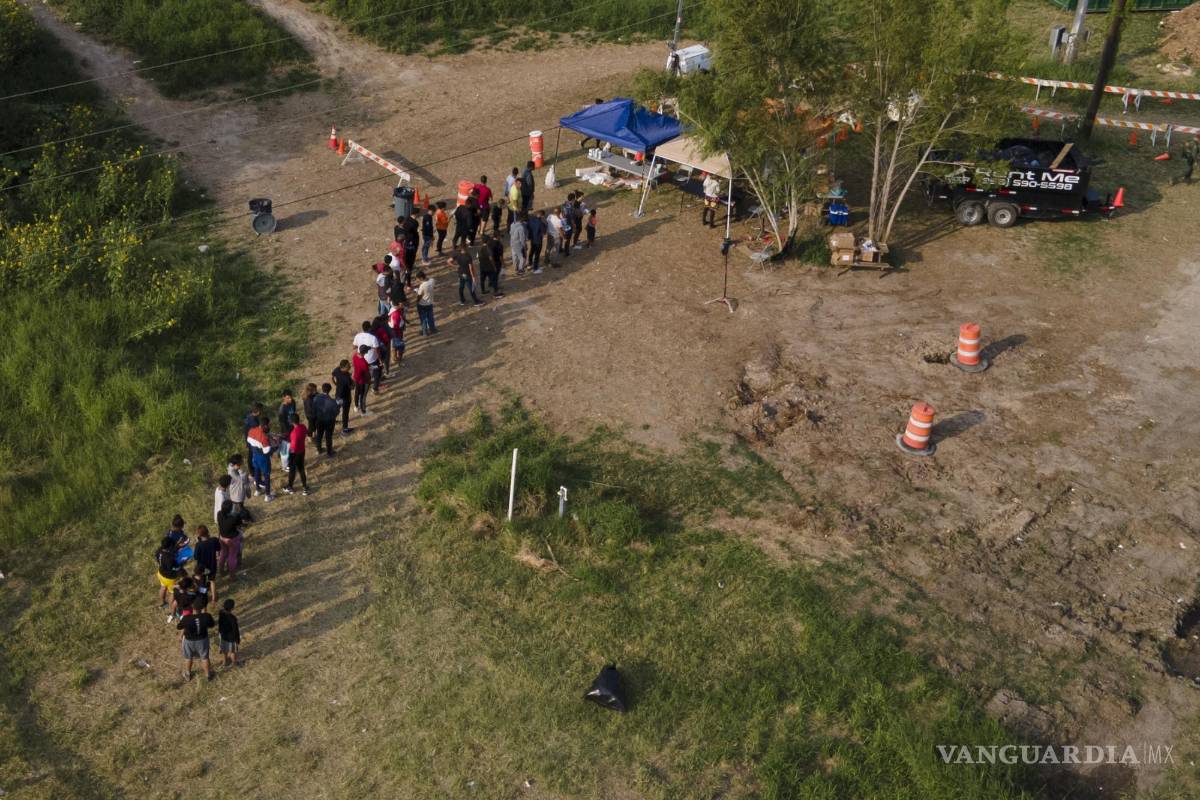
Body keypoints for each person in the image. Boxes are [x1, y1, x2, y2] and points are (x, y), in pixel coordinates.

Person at [178, 601, 216, 681]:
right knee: (205, 657)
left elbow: (179, 627)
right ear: (202, 608)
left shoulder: (186, 618)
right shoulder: (207, 616)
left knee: (188, 657)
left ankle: (188, 674)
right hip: (202, 640)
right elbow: (212, 625)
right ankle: (208, 675)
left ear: (192, 608)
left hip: (189, 641)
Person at [246, 418, 274, 502]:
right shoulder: (264, 437)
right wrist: (274, 448)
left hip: (254, 455)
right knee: (266, 475)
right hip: (263, 458)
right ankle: (267, 495)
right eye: (269, 425)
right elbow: (266, 451)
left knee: (257, 473)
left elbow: (248, 441)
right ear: (265, 426)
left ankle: (257, 490)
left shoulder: (251, 431)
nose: (269, 426)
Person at [216, 499, 244, 579]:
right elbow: (239, 526)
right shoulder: (234, 517)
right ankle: (232, 576)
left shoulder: (219, 514)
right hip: (232, 539)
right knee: (232, 556)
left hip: (222, 537)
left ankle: (221, 571)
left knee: (223, 554)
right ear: (230, 510)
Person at [353, 321, 382, 392]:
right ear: (369, 328)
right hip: (372, 360)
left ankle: (365, 383)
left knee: (364, 373)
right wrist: (380, 360)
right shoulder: (373, 338)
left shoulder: (358, 336)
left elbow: (354, 346)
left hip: (361, 358)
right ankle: (375, 388)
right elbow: (377, 350)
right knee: (377, 372)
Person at [155, 535, 183, 608]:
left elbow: (158, 560)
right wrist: (181, 564)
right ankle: (172, 607)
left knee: (163, 587)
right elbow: (176, 568)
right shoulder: (169, 559)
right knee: (173, 593)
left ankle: (163, 602)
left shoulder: (159, 550)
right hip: (170, 578)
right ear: (169, 546)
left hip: (161, 573)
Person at [312, 383, 340, 455]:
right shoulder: (333, 402)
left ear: (322, 388)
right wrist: (339, 406)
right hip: (329, 421)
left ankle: (319, 449)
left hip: (319, 420)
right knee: (328, 436)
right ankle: (329, 452)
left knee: (319, 435)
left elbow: (314, 409)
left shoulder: (316, 398)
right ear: (329, 390)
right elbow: (336, 412)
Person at [285, 412, 309, 495]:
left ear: (292, 422)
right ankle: (305, 487)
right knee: (301, 469)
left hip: (295, 453)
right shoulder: (303, 427)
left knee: (292, 470)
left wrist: (290, 458)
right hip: (302, 450)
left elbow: (293, 447)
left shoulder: (294, 433)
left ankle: (290, 487)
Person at [193, 525, 220, 596]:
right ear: (208, 532)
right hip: (212, 564)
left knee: (202, 582)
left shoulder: (198, 545)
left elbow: (195, 557)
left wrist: (198, 542)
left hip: (202, 566)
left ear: (199, 535)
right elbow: (218, 548)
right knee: (212, 581)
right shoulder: (214, 540)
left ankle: (203, 595)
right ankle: (214, 597)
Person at [227, 456, 253, 520]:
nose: (240, 466)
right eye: (239, 464)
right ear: (235, 464)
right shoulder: (232, 472)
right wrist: (243, 472)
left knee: (237, 505)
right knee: (239, 506)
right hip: (238, 493)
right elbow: (242, 479)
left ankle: (241, 514)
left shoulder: (230, 467)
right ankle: (245, 517)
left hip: (234, 492)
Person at [218, 599, 241, 669]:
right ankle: (234, 664)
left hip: (223, 636)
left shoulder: (221, 613)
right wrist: (237, 639)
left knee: (224, 650)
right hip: (232, 638)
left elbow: (220, 624)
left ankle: (224, 662)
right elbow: (235, 630)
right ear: (232, 608)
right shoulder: (233, 618)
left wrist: (220, 632)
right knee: (233, 651)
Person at [331, 360, 353, 434]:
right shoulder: (347, 377)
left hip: (338, 396)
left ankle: (332, 421)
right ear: (343, 367)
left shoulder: (337, 369)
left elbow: (332, 377)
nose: (350, 367)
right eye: (348, 366)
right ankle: (345, 429)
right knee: (345, 413)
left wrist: (336, 384)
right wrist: (353, 380)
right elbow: (352, 387)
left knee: (336, 409)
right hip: (346, 398)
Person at [277, 390, 296, 474]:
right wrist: (286, 433)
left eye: (291, 397)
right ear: (283, 398)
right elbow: (282, 423)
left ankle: (290, 461)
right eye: (288, 398)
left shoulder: (293, 403)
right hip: (286, 431)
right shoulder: (282, 409)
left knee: (292, 447)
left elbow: (294, 413)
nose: (290, 399)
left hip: (293, 428)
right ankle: (285, 466)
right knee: (285, 449)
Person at [241, 403, 262, 477]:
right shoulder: (253, 420)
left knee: (251, 455)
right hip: (251, 440)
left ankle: (252, 470)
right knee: (252, 455)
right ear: (258, 411)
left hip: (249, 439)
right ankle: (252, 471)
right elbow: (258, 430)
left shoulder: (250, 416)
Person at [415, 271, 437, 335]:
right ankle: (433, 330)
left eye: (417, 278)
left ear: (421, 278)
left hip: (422, 304)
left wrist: (417, 301)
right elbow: (431, 281)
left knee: (423, 319)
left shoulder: (422, 285)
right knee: (430, 317)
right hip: (430, 303)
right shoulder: (432, 281)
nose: (417, 280)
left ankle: (425, 332)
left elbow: (419, 296)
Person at [352, 345, 370, 416]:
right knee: (362, 395)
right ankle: (363, 410)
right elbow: (367, 374)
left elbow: (356, 366)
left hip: (356, 377)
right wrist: (369, 380)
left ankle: (356, 406)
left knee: (357, 392)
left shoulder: (355, 356)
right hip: (362, 380)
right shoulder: (364, 362)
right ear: (365, 352)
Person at [388, 302, 407, 367]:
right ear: (398, 305)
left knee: (394, 345)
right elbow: (396, 325)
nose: (403, 305)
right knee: (400, 347)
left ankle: (394, 358)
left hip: (394, 332)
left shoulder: (394, 310)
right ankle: (399, 361)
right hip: (396, 332)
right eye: (401, 304)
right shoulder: (396, 314)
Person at [403, 209, 420, 273]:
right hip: (413, 241)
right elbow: (414, 232)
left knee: (407, 254)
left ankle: (407, 266)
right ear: (416, 214)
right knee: (412, 255)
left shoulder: (407, 219)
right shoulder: (415, 223)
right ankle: (410, 267)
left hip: (407, 240)